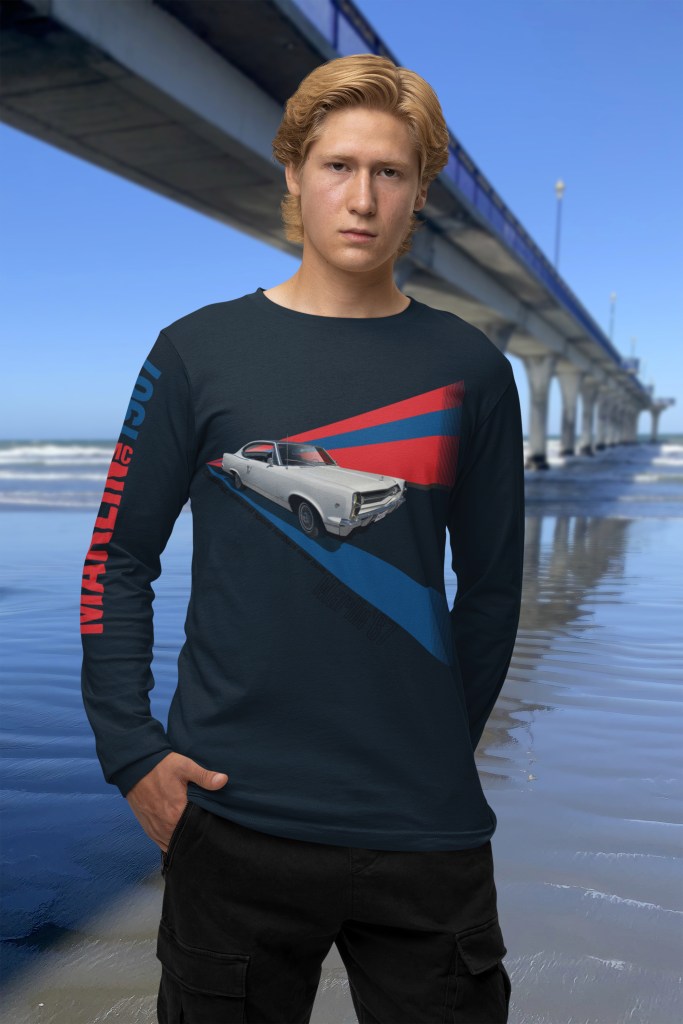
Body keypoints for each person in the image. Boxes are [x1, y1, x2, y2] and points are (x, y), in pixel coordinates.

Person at [80, 52, 524, 1024]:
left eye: (389, 172)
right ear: (292, 171)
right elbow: (118, 556)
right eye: (337, 166)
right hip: (232, 813)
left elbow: (492, 589)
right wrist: (130, 749)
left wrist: (439, 744)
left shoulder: (473, 370)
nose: (361, 198)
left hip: (422, 827)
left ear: (418, 191)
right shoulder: (196, 351)